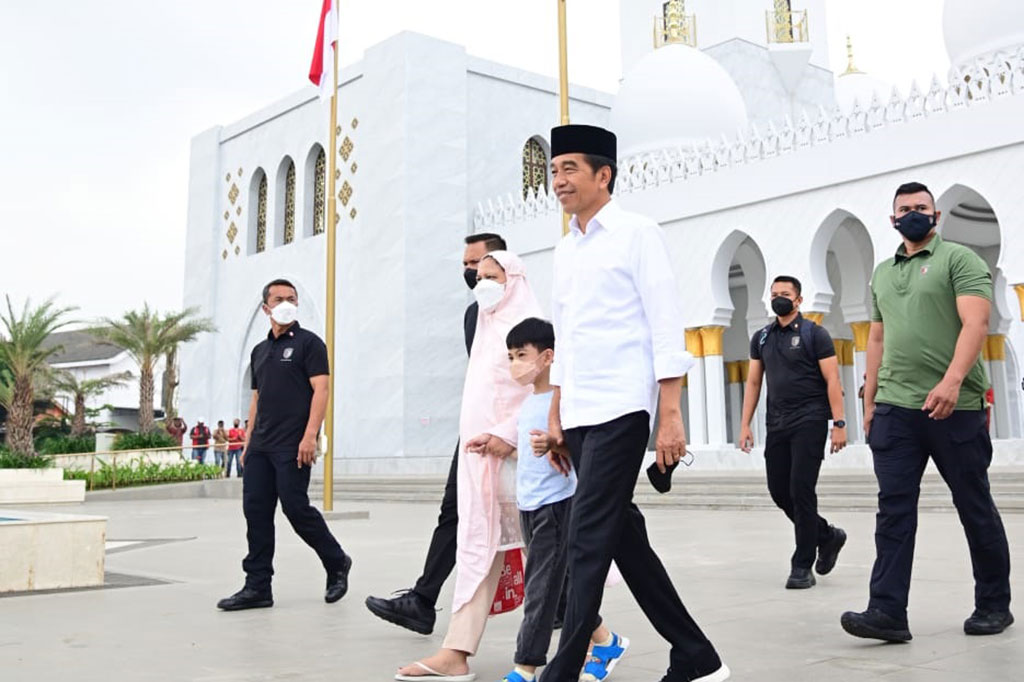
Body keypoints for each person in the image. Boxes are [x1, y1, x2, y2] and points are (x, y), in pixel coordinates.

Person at [539, 124, 729, 682]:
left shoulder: (638, 233)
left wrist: (669, 413)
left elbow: (664, 323)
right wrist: (555, 413)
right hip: (578, 413)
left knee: (586, 535)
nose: (559, 180)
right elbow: (564, 337)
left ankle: (564, 668)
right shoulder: (565, 248)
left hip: (624, 408)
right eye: (554, 170)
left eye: (570, 168)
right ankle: (696, 655)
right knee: (622, 537)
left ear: (604, 174)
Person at [841, 182, 1013, 641]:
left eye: (922, 208)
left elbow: (976, 322)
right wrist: (870, 399)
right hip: (897, 409)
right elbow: (875, 338)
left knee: (973, 504)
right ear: (892, 218)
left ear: (935, 217)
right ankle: (887, 611)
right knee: (894, 511)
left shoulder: (959, 260)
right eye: (905, 209)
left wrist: (953, 381)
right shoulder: (882, 273)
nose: (914, 214)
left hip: (954, 408)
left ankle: (994, 603)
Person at [396, 251, 540, 681]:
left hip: (522, 456)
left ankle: (597, 636)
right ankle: (455, 651)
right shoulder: (483, 321)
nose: (482, 284)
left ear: (512, 278)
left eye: (491, 276)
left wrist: (508, 436)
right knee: (478, 545)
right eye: (477, 277)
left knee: (549, 552)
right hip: (481, 458)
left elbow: (545, 387)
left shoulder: (530, 321)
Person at [366, 232, 508, 635]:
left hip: (515, 434)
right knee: (456, 510)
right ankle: (423, 600)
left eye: (477, 266)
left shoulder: (524, 311)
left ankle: (565, 603)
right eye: (466, 266)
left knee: (532, 518)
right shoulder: (472, 316)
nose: (471, 273)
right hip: (476, 432)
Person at [499, 317, 626, 682]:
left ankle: (525, 667)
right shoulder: (528, 402)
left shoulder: (563, 398)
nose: (515, 364)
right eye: (510, 356)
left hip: (557, 505)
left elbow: (580, 447)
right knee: (563, 587)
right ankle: (605, 640)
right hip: (530, 505)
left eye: (522, 354)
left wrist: (555, 443)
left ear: (548, 356)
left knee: (539, 589)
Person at [217, 278, 352, 611]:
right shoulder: (260, 351)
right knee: (256, 513)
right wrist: (248, 441)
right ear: (266, 308)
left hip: (293, 445)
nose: (285, 303)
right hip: (260, 446)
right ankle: (257, 587)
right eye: (278, 299)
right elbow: (257, 398)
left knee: (295, 507)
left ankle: (336, 561)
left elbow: (321, 391)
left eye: (291, 298)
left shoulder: (310, 344)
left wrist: (310, 435)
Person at [738, 275, 848, 590]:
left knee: (801, 489)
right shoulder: (761, 337)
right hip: (777, 423)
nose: (778, 299)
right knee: (779, 490)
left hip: (810, 421)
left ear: (799, 300)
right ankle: (826, 535)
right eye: (774, 294)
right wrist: (745, 424)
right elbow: (754, 383)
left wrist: (838, 424)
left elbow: (832, 381)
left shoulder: (816, 334)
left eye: (785, 294)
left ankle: (802, 564)